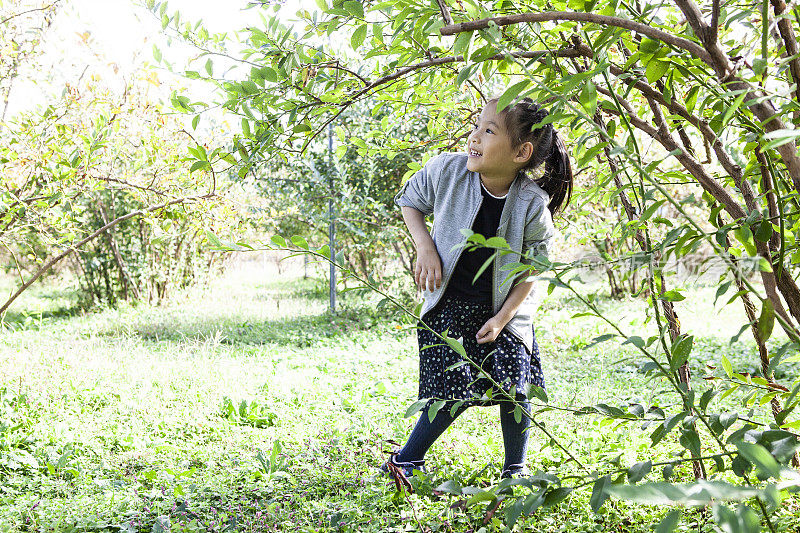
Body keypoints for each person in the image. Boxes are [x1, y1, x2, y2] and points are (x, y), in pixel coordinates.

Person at [384, 97, 573, 483]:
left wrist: (503, 319)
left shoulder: (532, 204)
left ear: (521, 152)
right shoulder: (447, 170)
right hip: (449, 303)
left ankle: (515, 471)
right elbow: (409, 202)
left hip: (504, 311)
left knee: (515, 388)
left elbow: (532, 270)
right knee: (452, 389)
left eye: (489, 131)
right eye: (477, 126)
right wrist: (426, 248)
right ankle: (406, 459)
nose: (474, 137)